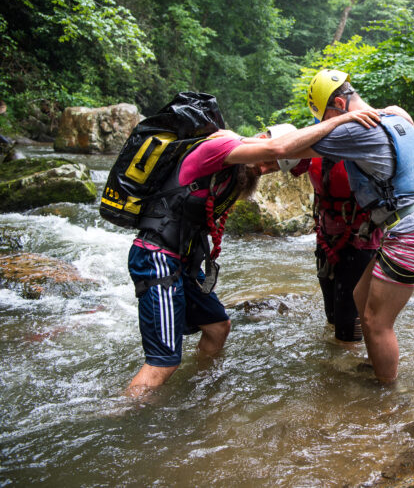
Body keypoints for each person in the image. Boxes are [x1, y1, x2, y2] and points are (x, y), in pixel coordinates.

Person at [126, 109, 379, 395]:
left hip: (182, 261)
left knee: (218, 327)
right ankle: (123, 419)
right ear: (261, 139)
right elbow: (277, 146)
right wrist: (341, 119)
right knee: (163, 363)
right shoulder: (220, 145)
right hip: (157, 256)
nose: (263, 169)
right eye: (267, 161)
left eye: (272, 169)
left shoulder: (234, 169)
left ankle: (200, 391)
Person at [298, 68, 414, 384]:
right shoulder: (388, 122)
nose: (325, 125)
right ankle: (375, 369)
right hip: (405, 228)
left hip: (406, 233)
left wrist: (338, 122)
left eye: (326, 117)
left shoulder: (362, 130)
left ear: (338, 103)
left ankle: (388, 396)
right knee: (360, 299)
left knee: (376, 322)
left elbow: (283, 149)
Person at [305, 155, 382, 344]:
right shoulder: (317, 149)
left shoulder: (366, 151)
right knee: (331, 313)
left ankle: (346, 364)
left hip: (360, 241)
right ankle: (338, 353)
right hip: (326, 238)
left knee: (347, 314)